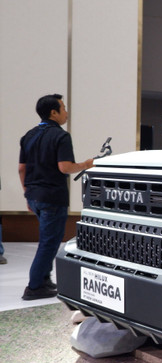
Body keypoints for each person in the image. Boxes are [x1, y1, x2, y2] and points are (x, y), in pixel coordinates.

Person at [18, 94, 94, 300]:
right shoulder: (61, 136)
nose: (66, 112)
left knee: (47, 240)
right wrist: (86, 165)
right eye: (63, 107)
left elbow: (21, 169)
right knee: (48, 243)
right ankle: (34, 287)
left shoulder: (28, 136)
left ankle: (44, 279)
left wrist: (27, 195)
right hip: (52, 196)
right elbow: (65, 167)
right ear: (54, 112)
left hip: (34, 195)